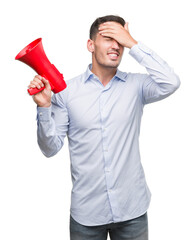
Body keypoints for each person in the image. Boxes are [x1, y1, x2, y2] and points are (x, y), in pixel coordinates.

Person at [28, 15, 180, 240]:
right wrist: (44, 108)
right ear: (91, 45)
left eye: (120, 39)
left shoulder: (137, 86)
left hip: (133, 211)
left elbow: (171, 82)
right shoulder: (66, 92)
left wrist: (134, 44)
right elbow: (50, 148)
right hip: (86, 216)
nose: (116, 44)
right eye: (108, 37)